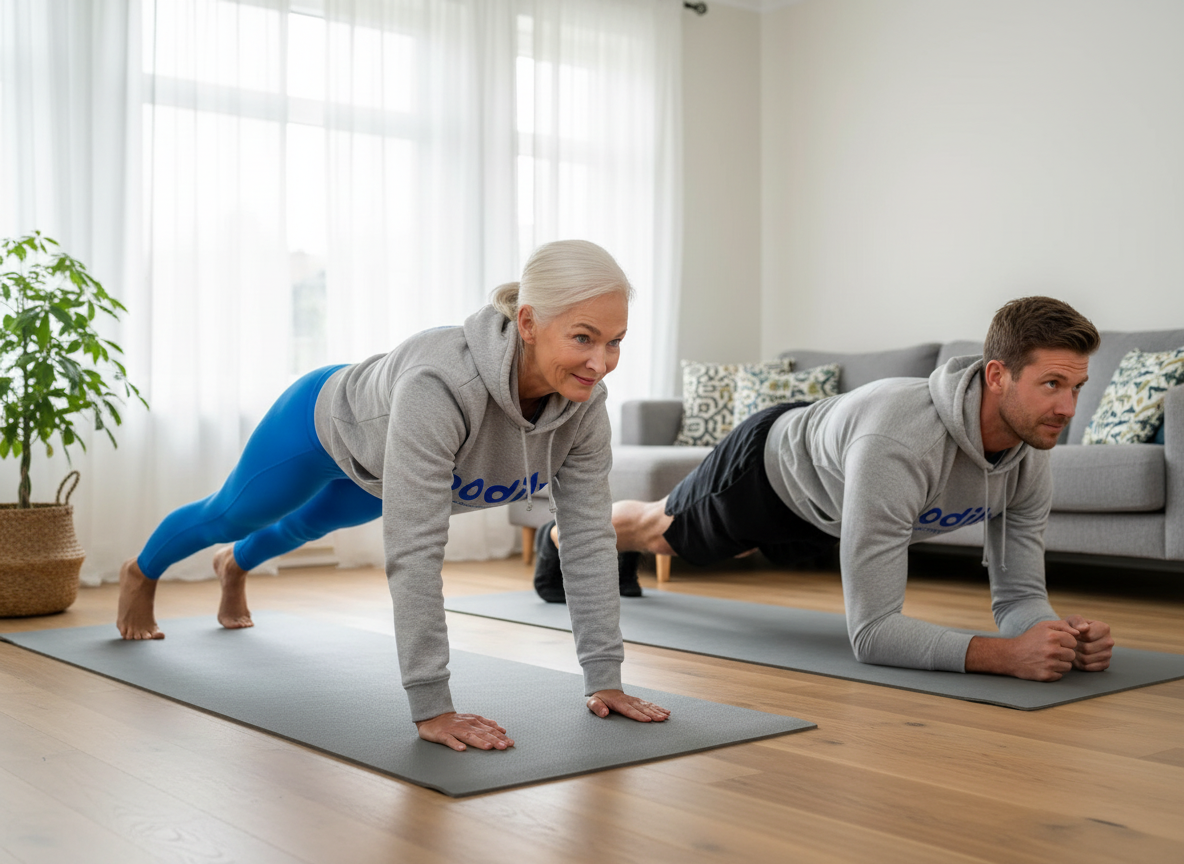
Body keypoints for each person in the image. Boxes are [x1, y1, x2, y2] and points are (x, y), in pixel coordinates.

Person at [117, 239, 670, 750]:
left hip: (384, 467)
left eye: (614, 341)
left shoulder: (585, 407)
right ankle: (141, 572)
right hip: (322, 424)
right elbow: (416, 551)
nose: (600, 363)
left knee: (307, 526)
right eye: (582, 337)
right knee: (231, 515)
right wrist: (432, 707)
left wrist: (606, 679)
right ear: (528, 322)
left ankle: (233, 567)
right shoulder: (442, 384)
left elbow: (588, 539)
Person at [534, 296, 1115, 682]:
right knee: (667, 533)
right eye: (1051, 384)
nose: (1068, 408)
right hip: (768, 470)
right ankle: (562, 533)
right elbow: (873, 634)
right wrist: (1003, 656)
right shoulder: (901, 443)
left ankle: (615, 546)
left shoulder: (1029, 452)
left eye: (1077, 388)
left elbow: (1017, 597)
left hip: (832, 504)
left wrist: (1051, 634)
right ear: (997, 375)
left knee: (710, 548)